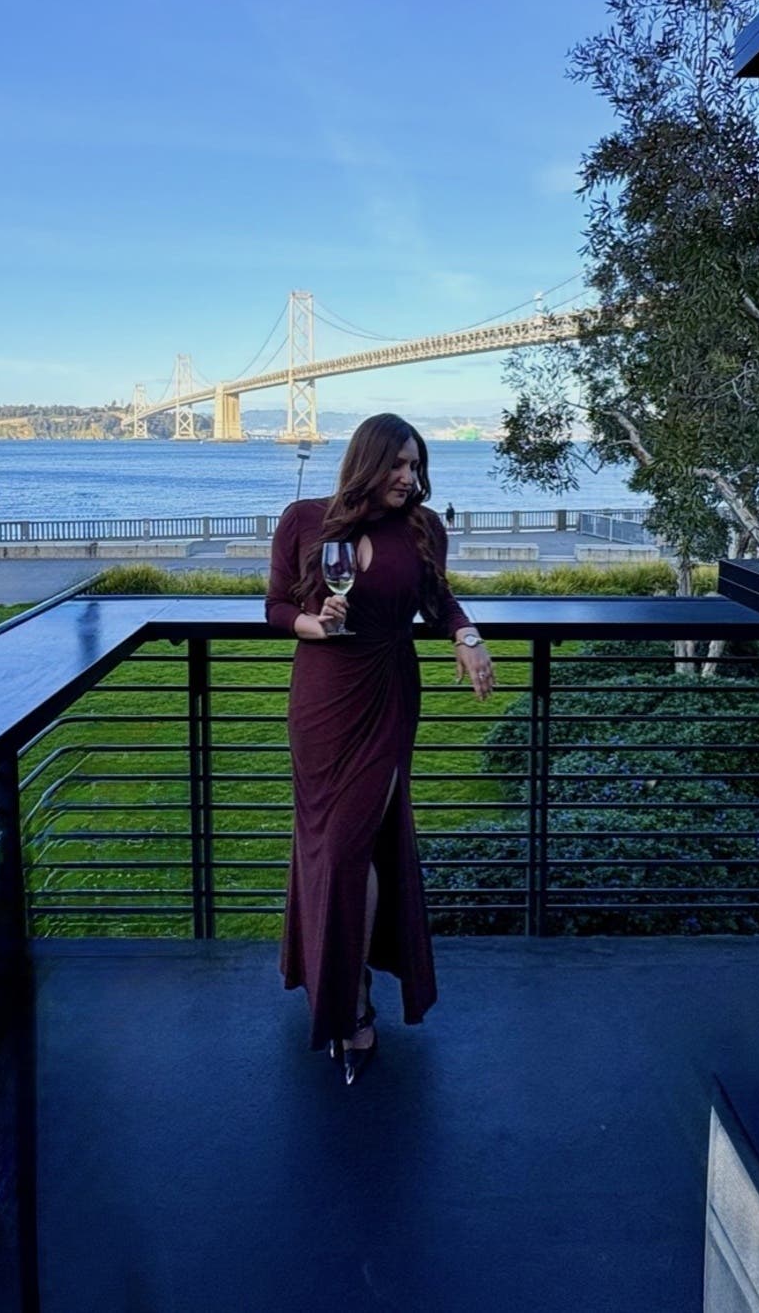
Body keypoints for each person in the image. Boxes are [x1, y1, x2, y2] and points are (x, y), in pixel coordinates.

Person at [265, 413, 495, 1086]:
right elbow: (275, 607)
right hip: (320, 700)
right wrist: (314, 623)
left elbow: (439, 600)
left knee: (351, 846)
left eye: (416, 466)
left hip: (387, 694)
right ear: (367, 461)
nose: (409, 477)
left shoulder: (422, 528)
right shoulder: (304, 519)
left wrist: (467, 636)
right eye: (397, 463)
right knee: (327, 847)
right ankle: (342, 982)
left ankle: (351, 997)